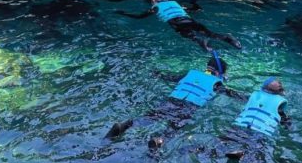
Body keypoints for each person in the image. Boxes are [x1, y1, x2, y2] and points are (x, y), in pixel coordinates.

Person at [105, 55, 246, 148]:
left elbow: (170, 77)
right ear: (220, 72)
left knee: (151, 116)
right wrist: (247, 98)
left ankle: (125, 126)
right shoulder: (217, 83)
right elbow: (231, 94)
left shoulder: (191, 73)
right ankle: (158, 140)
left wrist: (156, 73)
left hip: (172, 100)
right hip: (190, 107)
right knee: (174, 127)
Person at [118, 0, 241, 52]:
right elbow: (196, 10)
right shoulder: (176, 3)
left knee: (190, 36)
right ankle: (226, 37)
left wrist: (123, 13)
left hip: (177, 23)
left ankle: (201, 42)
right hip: (189, 20)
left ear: (154, 0)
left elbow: (139, 17)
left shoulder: (155, 7)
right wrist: (194, 2)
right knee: (211, 34)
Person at [223, 78, 289, 160]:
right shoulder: (280, 105)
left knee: (224, 139)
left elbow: (234, 94)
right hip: (262, 131)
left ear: (263, 89)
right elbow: (286, 122)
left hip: (241, 125)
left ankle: (209, 150)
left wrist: (224, 89)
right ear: (281, 92)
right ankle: (243, 152)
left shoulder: (253, 96)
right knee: (256, 148)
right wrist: (288, 127)